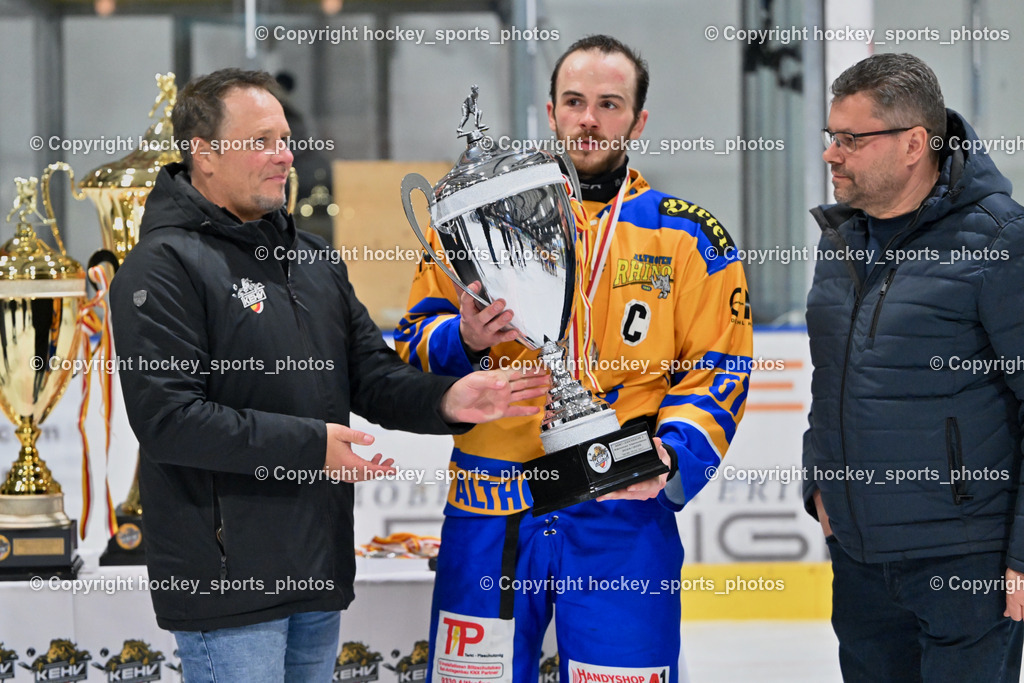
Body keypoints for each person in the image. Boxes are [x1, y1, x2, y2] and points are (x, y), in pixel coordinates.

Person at [109, 68, 548, 683]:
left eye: (285, 139)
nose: (284, 155)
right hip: (226, 588)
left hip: (316, 572)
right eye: (260, 140)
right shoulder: (160, 268)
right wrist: (312, 446)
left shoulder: (313, 259)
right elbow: (169, 421)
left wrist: (450, 397)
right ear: (204, 154)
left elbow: (371, 376)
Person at [396, 35, 752, 683]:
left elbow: (719, 369)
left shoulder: (688, 235)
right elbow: (413, 342)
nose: (590, 119)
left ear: (639, 121)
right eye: (575, 101)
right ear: (552, 111)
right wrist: (466, 338)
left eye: (610, 104)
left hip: (621, 507)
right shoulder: (478, 217)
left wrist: (672, 452)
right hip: (491, 509)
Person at [803, 52, 1024, 682]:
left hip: (965, 562)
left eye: (851, 139)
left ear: (913, 145)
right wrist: (819, 479)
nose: (832, 154)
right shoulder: (843, 240)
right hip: (861, 561)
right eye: (830, 136)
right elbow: (832, 377)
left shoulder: (999, 240)